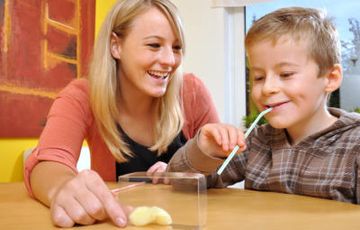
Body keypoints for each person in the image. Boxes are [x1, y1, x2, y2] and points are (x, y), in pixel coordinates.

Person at [24, 0, 219, 228]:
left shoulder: (193, 92)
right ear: (116, 46)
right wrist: (62, 187)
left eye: (176, 48)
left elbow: (225, 170)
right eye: (154, 45)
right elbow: (47, 162)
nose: (170, 60)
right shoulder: (82, 96)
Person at [168, 7, 360, 204]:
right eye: (258, 77)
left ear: (330, 78)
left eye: (286, 74)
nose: (267, 88)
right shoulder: (256, 142)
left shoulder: (355, 145)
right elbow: (180, 183)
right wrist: (205, 150)